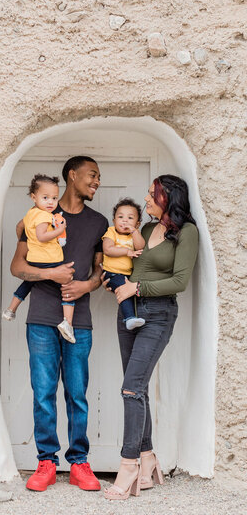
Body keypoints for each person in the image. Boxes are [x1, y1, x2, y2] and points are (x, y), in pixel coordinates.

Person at [10, 156, 108, 492]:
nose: (96, 182)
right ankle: (46, 463)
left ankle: (79, 463)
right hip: (40, 317)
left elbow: (101, 270)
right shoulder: (36, 216)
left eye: (99, 177)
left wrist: (86, 286)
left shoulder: (98, 223)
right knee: (43, 393)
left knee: (77, 394)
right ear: (72, 175)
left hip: (78, 320)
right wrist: (51, 274)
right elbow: (17, 267)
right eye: (92, 175)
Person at [103, 174, 199, 501]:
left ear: (166, 198)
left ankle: (128, 464)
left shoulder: (186, 232)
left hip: (159, 314)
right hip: (128, 311)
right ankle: (147, 458)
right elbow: (130, 267)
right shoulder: (144, 230)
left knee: (130, 389)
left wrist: (138, 287)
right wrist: (117, 283)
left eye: (150, 194)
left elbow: (180, 281)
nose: (145, 199)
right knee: (137, 388)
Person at [2, 173, 76, 343]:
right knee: (68, 285)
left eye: (54, 198)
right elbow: (42, 236)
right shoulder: (45, 216)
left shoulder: (31, 213)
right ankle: (68, 323)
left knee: (28, 283)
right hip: (49, 259)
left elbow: (19, 227)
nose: (51, 202)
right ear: (33, 197)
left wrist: (27, 238)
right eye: (45, 197)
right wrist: (60, 229)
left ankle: (11, 310)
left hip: (35, 258)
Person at [102, 198, 145, 330]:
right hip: (112, 273)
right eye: (120, 217)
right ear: (114, 220)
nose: (124, 221)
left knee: (130, 292)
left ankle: (132, 317)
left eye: (130, 218)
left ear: (137, 224)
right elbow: (108, 249)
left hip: (127, 274)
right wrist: (127, 252)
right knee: (124, 289)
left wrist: (135, 232)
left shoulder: (134, 235)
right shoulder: (111, 232)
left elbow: (140, 246)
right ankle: (129, 318)